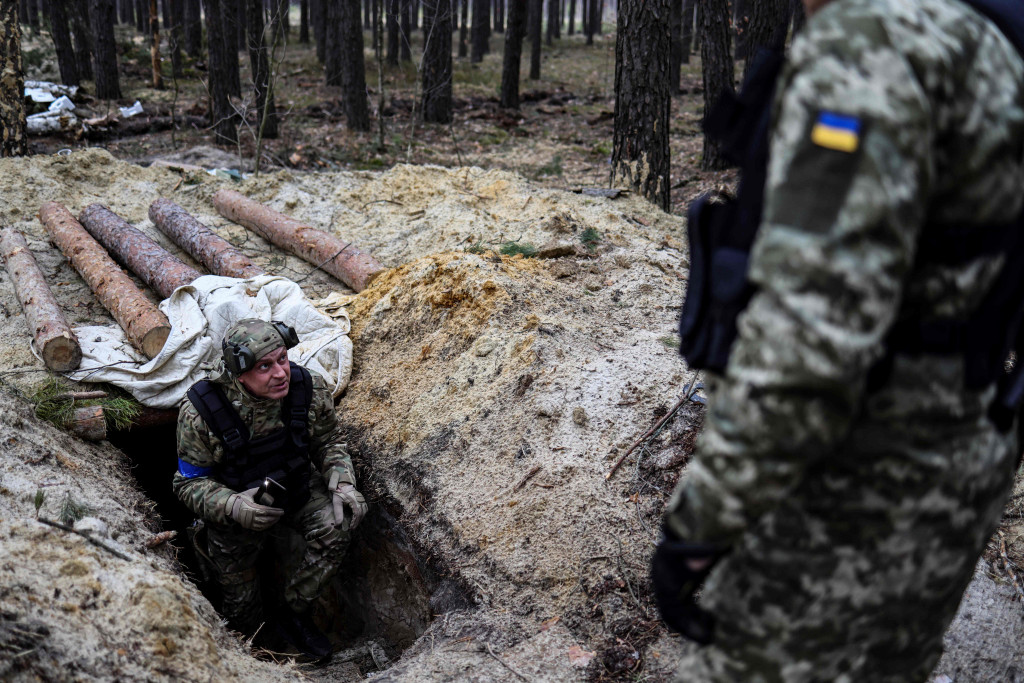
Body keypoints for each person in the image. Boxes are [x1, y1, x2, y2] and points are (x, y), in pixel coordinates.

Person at [655, 0, 1024, 681]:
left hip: (855, 487)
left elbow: (810, 339)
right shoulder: (987, 40)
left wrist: (700, 524)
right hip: (961, 465)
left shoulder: (871, 47)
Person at [173, 318, 367, 661]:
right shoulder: (201, 413)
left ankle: (295, 613)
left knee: (338, 523)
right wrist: (233, 505)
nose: (281, 373)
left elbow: (329, 442)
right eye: (265, 366)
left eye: (282, 359)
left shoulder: (308, 388)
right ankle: (257, 643)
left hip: (296, 489)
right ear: (239, 373)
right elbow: (188, 483)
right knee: (242, 606)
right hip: (235, 514)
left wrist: (343, 480)